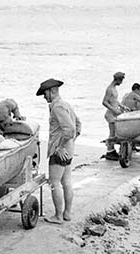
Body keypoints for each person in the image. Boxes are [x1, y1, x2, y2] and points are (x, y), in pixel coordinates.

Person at [36, 78, 81, 224]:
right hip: (69, 149)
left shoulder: (57, 107)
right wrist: (70, 143)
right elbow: (78, 126)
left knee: (54, 183)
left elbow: (70, 129)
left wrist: (60, 146)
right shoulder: (65, 104)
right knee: (66, 181)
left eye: (45, 93)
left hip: (59, 150)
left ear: (52, 91)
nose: (44, 97)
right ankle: (67, 213)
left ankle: (58, 216)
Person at [102, 72, 130, 161]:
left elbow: (114, 100)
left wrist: (122, 106)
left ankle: (112, 150)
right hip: (110, 114)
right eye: (121, 81)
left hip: (114, 113)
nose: (121, 83)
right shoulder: (109, 89)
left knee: (115, 133)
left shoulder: (114, 88)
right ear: (118, 80)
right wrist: (114, 110)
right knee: (112, 133)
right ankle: (109, 152)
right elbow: (104, 102)